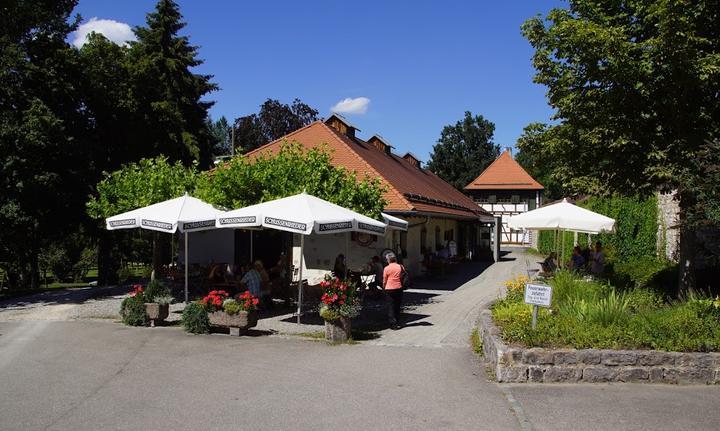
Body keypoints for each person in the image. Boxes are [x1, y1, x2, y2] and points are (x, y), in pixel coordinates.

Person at [383, 252, 404, 330]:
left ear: (388, 260)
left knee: (391, 306)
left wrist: (383, 287)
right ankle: (398, 321)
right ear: (394, 259)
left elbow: (384, 280)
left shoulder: (386, 268)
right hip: (399, 287)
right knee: (397, 305)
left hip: (389, 289)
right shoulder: (400, 266)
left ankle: (393, 323)